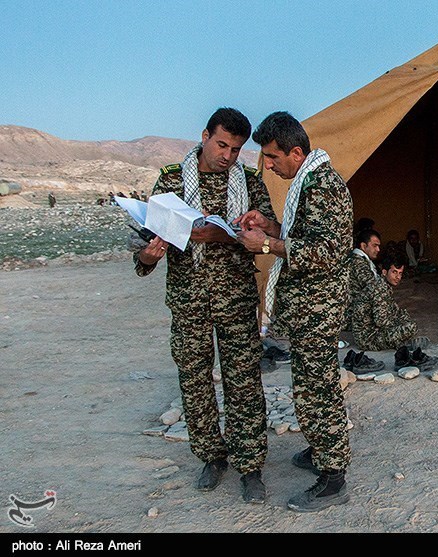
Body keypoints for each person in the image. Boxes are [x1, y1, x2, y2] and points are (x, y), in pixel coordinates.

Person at [132, 107, 270, 504]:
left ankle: (250, 465)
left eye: (236, 149)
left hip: (236, 299)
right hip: (188, 299)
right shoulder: (172, 180)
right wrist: (147, 257)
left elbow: (266, 233)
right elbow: (146, 241)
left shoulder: (249, 182)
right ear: (205, 136)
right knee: (194, 382)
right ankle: (211, 457)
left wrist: (222, 235)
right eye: (222, 145)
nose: (227, 156)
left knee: (244, 382)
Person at [236, 111, 352, 512]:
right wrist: (271, 226)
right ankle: (321, 449)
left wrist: (267, 246)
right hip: (308, 307)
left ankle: (333, 477)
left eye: (272, 157)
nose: (268, 165)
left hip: (319, 308)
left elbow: (329, 251)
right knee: (308, 385)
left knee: (318, 389)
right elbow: (306, 234)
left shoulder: (325, 187)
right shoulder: (307, 183)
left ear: (296, 153)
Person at [350, 253, 438, 371]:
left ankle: (403, 342)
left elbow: (395, 311)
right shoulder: (380, 289)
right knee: (410, 327)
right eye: (394, 272)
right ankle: (404, 344)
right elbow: (381, 322)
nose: (398, 277)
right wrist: (400, 326)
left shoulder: (382, 285)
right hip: (368, 338)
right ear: (384, 272)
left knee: (405, 319)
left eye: (400, 273)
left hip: (371, 331)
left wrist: (401, 320)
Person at [344, 228, 381, 331]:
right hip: (354, 317)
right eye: (375, 246)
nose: (378, 250)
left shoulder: (363, 260)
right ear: (363, 246)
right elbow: (374, 288)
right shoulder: (358, 263)